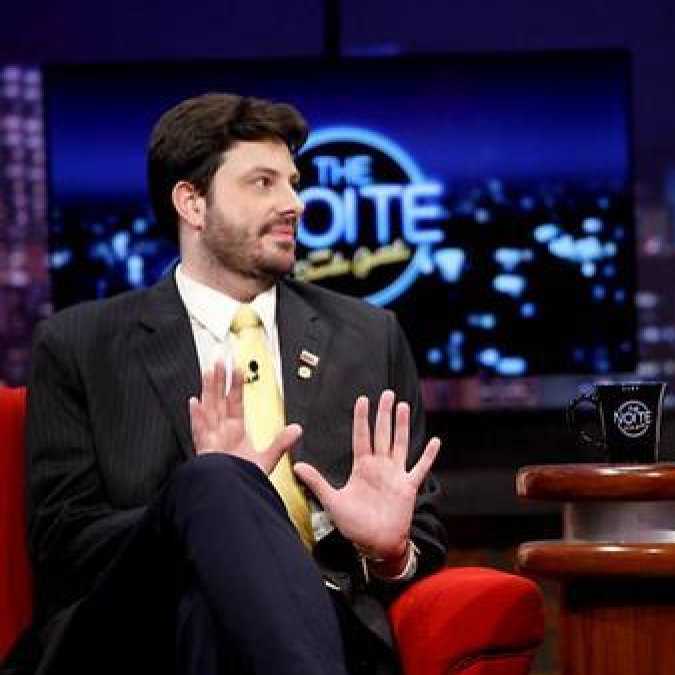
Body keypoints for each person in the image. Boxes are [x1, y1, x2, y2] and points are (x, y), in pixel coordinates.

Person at [4, 93, 445, 675]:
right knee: (215, 485)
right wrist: (210, 508)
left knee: (211, 612)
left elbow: (422, 536)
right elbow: (62, 544)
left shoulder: (369, 336)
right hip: (135, 633)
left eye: (293, 183)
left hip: (318, 619)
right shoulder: (80, 345)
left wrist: (387, 553)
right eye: (262, 183)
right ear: (192, 202)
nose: (294, 203)